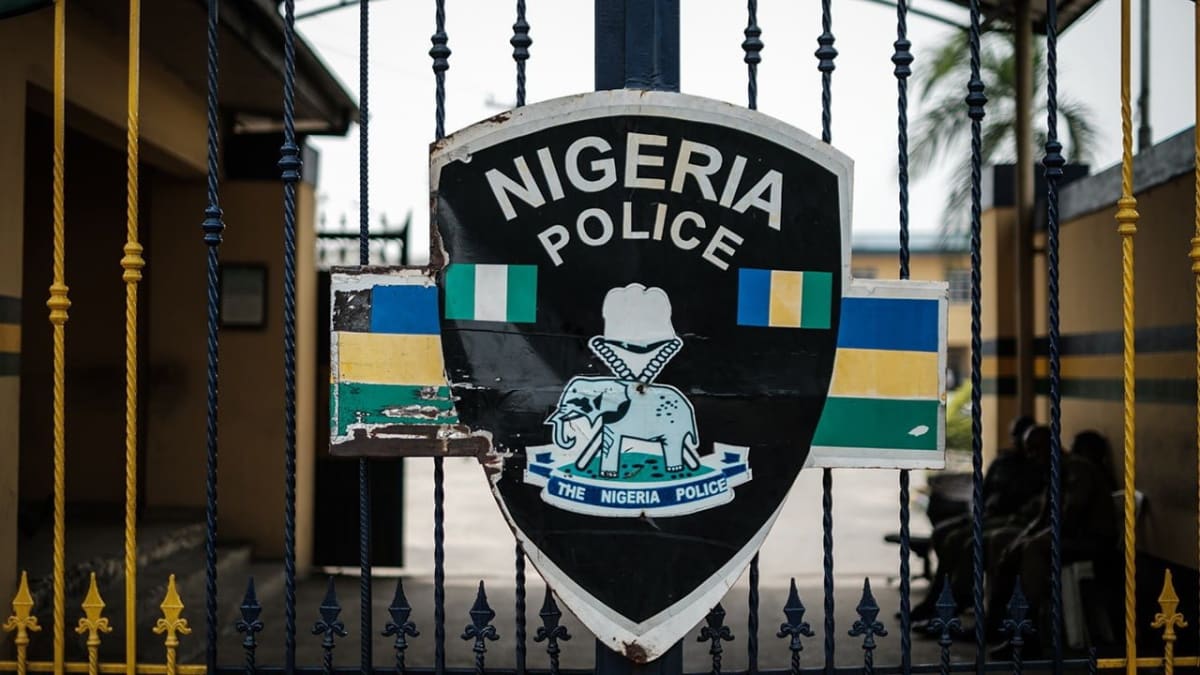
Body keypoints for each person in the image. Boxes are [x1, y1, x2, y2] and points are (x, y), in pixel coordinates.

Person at [985, 429, 1117, 651]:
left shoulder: (1077, 468)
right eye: (1030, 451)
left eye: (1037, 450)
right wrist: (1020, 538)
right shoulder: (1053, 471)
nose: (1032, 456)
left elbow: (1071, 516)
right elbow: (1041, 517)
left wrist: (1031, 539)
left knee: (1033, 549)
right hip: (1067, 536)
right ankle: (994, 623)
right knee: (1002, 540)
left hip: (1090, 541)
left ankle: (1028, 631)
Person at [910, 415, 1041, 622]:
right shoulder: (1003, 461)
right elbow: (984, 489)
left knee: (964, 542)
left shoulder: (1038, 467)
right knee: (943, 532)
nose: (1016, 441)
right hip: (989, 514)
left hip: (1009, 518)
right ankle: (937, 598)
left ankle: (954, 602)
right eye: (1015, 435)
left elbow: (1030, 505)